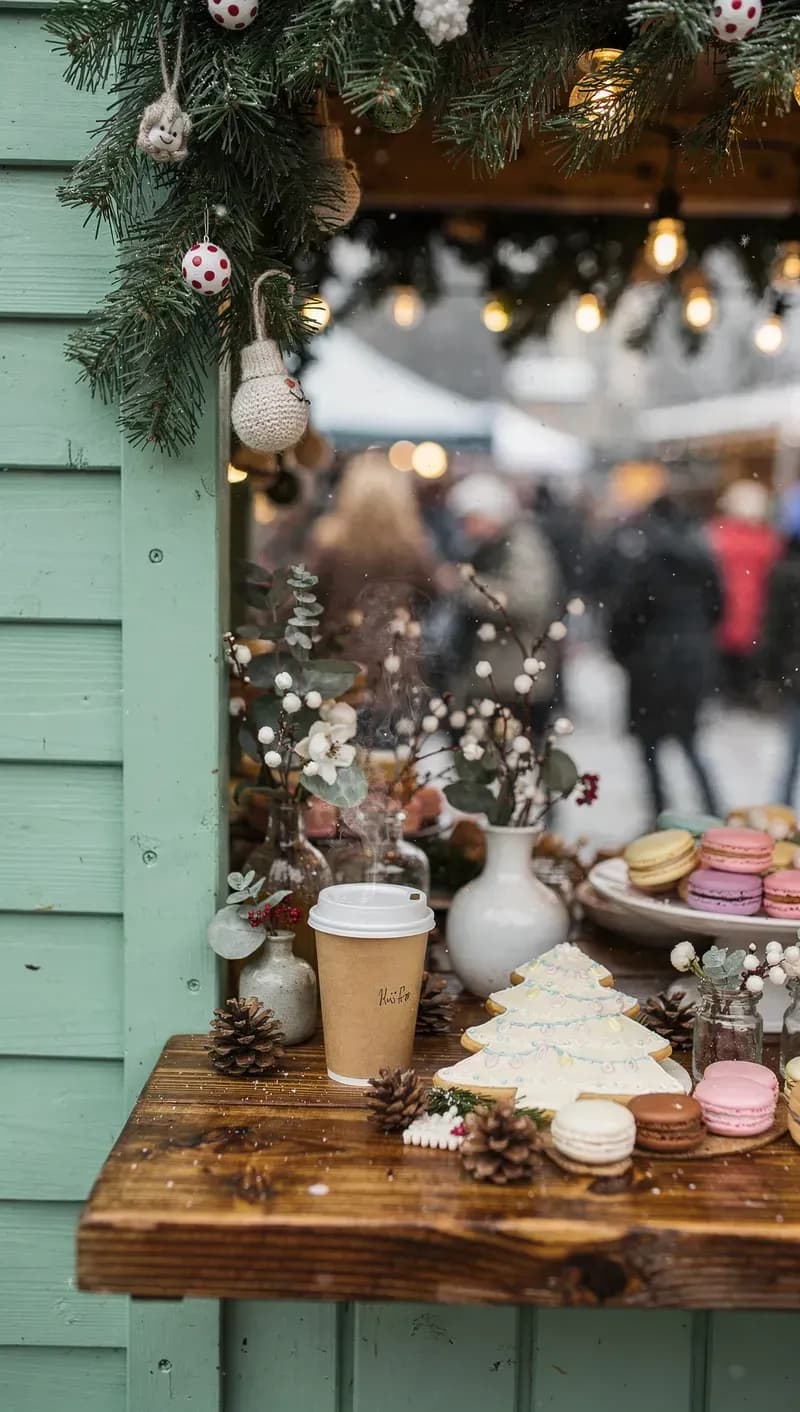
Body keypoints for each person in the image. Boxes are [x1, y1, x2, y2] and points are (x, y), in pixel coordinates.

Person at [606, 493, 722, 819]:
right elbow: (717, 609)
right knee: (690, 743)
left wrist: (623, 652)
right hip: (690, 662)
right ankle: (713, 811)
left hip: (651, 664)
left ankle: (660, 817)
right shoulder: (702, 557)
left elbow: (626, 615)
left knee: (649, 747)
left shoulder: (646, 559)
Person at [444, 472, 562, 727]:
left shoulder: (521, 545)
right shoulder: (500, 544)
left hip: (511, 679)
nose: (467, 528)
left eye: (471, 519)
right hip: (502, 676)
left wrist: (464, 586)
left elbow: (527, 600)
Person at [308, 449, 439, 630]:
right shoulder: (411, 544)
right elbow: (431, 593)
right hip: (393, 648)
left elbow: (311, 597)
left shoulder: (330, 540)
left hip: (340, 644)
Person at [708, 479, 782, 706]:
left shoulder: (716, 535)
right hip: (751, 611)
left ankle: (732, 693)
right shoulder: (769, 540)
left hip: (732, 610)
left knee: (731, 660)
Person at [763, 487, 800, 805]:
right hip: (794, 670)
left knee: (791, 755)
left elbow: (774, 630)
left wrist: (771, 675)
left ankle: (784, 818)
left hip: (795, 674)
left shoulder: (784, 571)